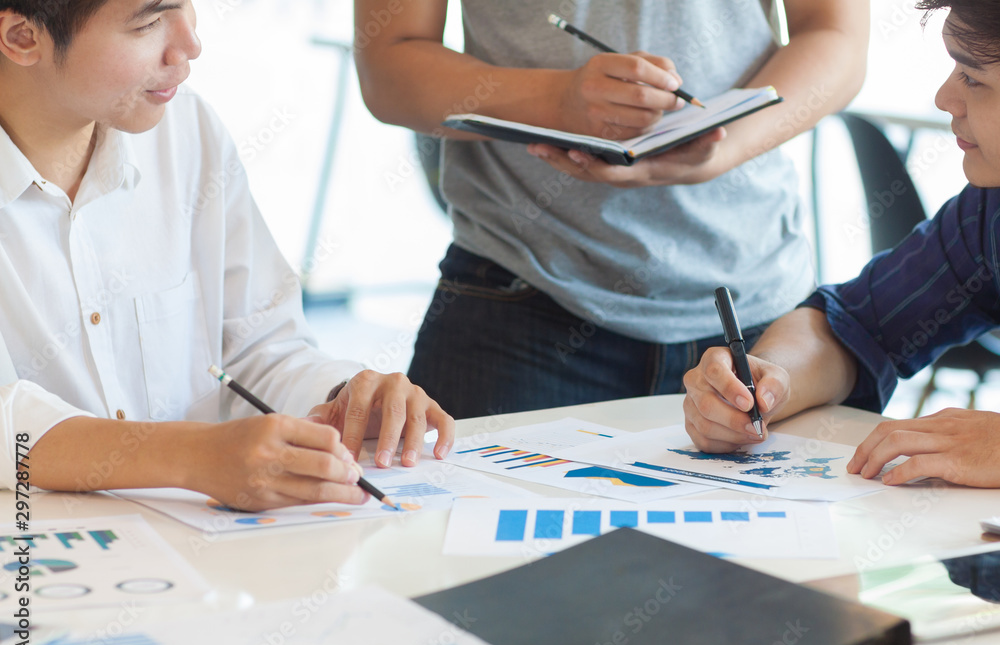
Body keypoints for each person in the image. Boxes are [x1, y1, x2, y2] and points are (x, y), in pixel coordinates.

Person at [0, 0, 454, 511]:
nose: (190, 45)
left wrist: (343, 399)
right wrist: (189, 456)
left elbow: (256, 347)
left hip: (196, 554)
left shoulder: (186, 129)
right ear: (22, 38)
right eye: (148, 23)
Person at [354, 0, 869, 419]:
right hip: (522, 300)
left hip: (759, 316)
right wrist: (559, 100)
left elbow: (837, 37)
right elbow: (388, 65)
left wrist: (724, 144)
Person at [682, 0, 1000, 488]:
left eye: (974, 78)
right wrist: (770, 382)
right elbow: (853, 325)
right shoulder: (986, 214)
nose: (943, 97)